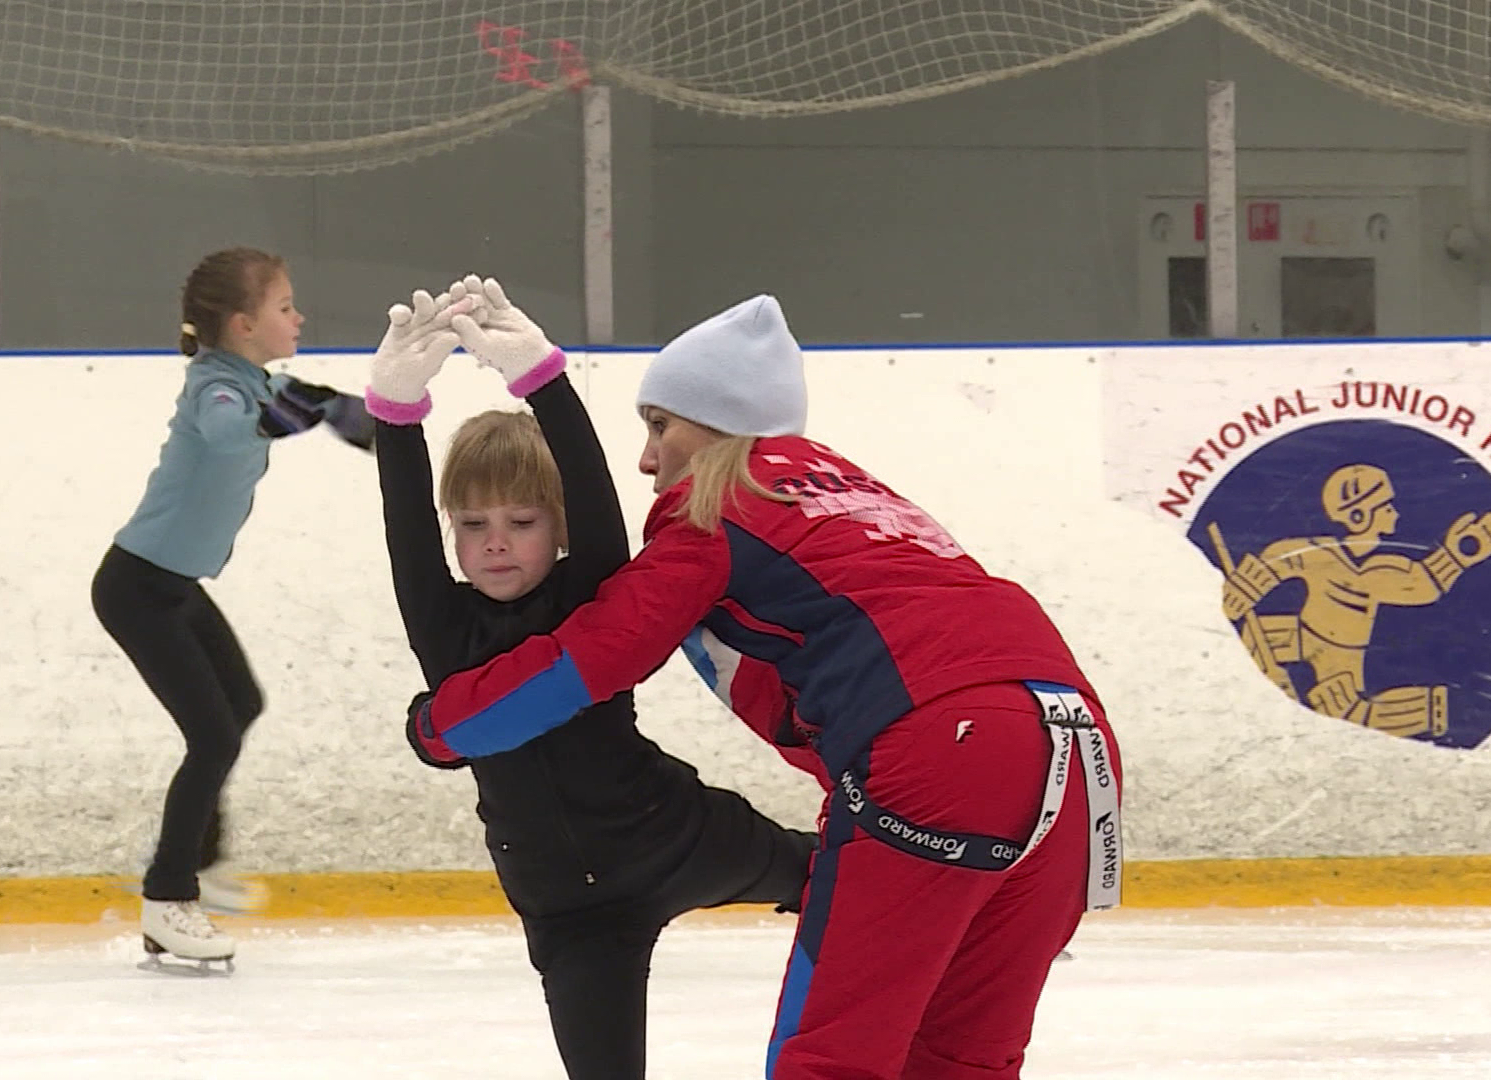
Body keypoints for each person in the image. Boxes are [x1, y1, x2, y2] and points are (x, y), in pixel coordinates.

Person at [408, 293, 1123, 1079]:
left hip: (945, 743)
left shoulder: (718, 511)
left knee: (832, 1058)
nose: (648, 460)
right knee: (959, 1056)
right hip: (1081, 752)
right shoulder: (850, 492)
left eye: (660, 427)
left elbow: (590, 658)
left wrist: (445, 727)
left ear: (716, 424)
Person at [365, 277, 817, 1079]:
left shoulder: (590, 591)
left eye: (522, 522)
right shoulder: (445, 626)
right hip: (571, 914)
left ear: (561, 527)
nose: (496, 544)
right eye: (473, 526)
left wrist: (542, 379)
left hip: (677, 837)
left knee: (831, 871)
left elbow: (590, 483)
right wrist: (394, 414)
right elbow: (405, 531)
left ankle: (973, 905)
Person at [92, 246, 375, 970]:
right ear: (245, 324)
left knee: (240, 705)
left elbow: (321, 411)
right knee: (213, 737)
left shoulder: (253, 380)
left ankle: (200, 862)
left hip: (173, 586)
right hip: (139, 591)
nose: (299, 316)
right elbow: (227, 428)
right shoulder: (217, 390)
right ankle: (167, 898)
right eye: (285, 307)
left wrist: (366, 420)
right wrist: (291, 413)